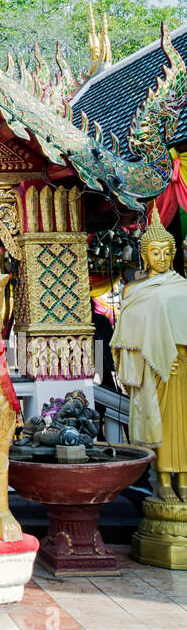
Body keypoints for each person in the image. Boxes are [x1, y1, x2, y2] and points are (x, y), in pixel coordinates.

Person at [111, 206, 187, 501]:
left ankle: (184, 481)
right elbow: (128, 334)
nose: (162, 258)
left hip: (182, 364)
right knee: (161, 426)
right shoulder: (135, 292)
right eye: (155, 252)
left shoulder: (182, 287)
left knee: (182, 425)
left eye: (166, 252)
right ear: (145, 255)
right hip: (154, 366)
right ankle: (164, 480)